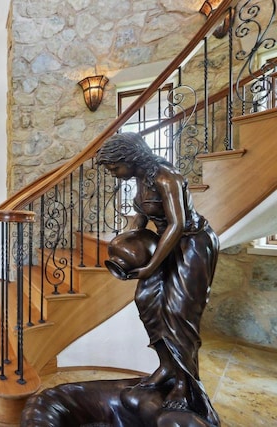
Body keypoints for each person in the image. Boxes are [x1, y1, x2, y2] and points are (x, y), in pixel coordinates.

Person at [96, 132, 219, 425]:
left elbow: (176, 224)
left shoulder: (167, 177)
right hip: (165, 243)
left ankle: (184, 385)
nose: (113, 174)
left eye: (114, 168)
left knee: (179, 314)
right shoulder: (140, 178)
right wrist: (125, 246)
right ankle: (166, 367)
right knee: (147, 300)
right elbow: (140, 220)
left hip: (192, 245)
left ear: (129, 158)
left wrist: (151, 266)